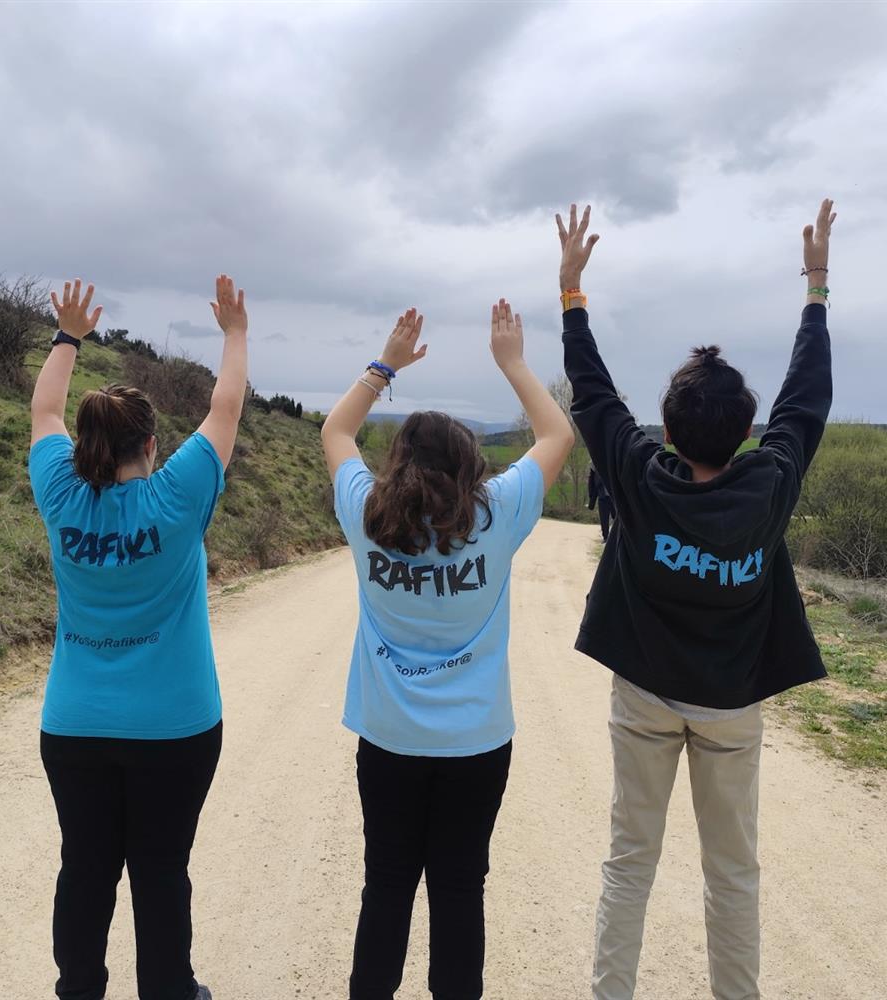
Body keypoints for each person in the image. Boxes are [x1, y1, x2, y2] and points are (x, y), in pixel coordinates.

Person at [555, 200, 835, 1000]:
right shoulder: (770, 482)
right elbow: (806, 399)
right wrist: (816, 286)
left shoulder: (642, 479)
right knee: (733, 873)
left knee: (629, 864)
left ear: (670, 436)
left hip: (642, 696)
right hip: (730, 707)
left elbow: (593, 394)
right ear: (745, 433)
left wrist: (572, 294)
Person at [321, 302, 575, 1000]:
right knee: (460, 889)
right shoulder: (496, 515)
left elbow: (336, 429)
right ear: (469, 465)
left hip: (389, 737)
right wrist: (513, 362)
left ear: (397, 460)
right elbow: (557, 431)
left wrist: (386, 363)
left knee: (387, 886)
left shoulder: (365, 513)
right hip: (476, 742)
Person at [29, 275, 249, 1000]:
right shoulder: (179, 494)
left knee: (84, 869)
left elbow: (44, 410)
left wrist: (67, 335)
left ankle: (79, 990)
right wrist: (235, 334)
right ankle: (169, 989)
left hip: (75, 724)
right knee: (161, 870)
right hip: (176, 727)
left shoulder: (60, 493)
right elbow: (224, 410)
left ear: (86, 443)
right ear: (152, 444)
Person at [587, 463, 616, 542]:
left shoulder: (613, 459)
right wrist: (591, 494)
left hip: (614, 497)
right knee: (604, 519)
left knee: (617, 518)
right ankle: (606, 537)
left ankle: (616, 537)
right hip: (602, 496)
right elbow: (591, 480)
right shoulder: (595, 463)